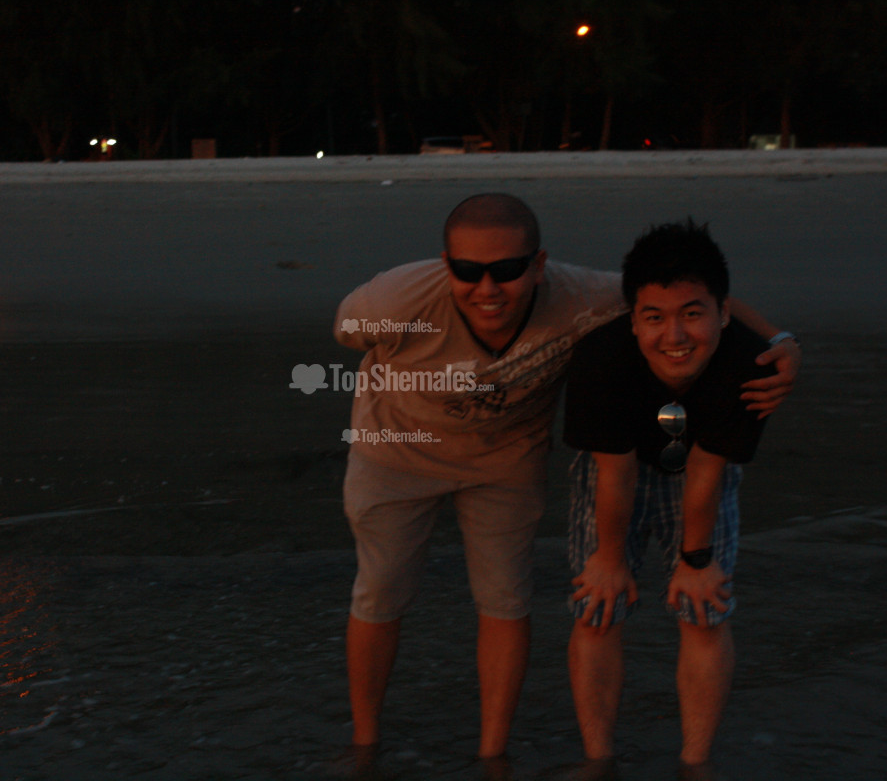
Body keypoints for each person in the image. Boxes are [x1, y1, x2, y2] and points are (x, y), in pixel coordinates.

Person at [333, 194, 799, 761]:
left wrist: (780, 340)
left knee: (507, 600)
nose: (488, 288)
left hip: (503, 461)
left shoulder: (587, 298)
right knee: (381, 592)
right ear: (446, 263)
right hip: (395, 452)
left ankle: (494, 757)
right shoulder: (396, 300)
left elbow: (686, 298)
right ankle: (364, 745)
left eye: (508, 269)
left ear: (538, 264)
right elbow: (347, 332)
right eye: (468, 270)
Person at [563, 219, 784, 779]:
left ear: (723, 312)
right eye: (655, 318)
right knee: (598, 609)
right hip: (617, 471)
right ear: (633, 320)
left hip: (700, 473)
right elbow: (614, 474)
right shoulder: (600, 359)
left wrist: (696, 560)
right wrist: (609, 558)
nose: (675, 336)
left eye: (692, 313)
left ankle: (695, 765)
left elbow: (706, 473)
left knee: (704, 611)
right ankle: (598, 760)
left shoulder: (749, 364)